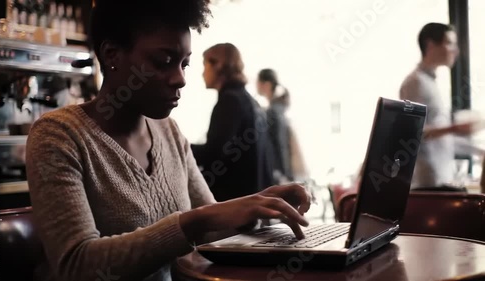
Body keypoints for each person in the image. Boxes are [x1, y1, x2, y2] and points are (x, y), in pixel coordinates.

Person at [24, 1, 311, 281]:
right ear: (112, 55)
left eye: (185, 63)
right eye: (164, 61)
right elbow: (77, 265)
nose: (181, 79)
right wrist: (196, 221)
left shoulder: (169, 132)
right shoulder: (59, 136)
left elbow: (213, 231)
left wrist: (256, 207)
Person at [191, 43, 274, 202]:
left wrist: (180, 147)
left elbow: (214, 154)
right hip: (253, 201)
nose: (203, 73)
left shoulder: (230, 100)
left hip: (235, 205)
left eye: (205, 65)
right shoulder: (249, 100)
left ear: (219, 66)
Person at [399, 23, 474, 188]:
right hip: (426, 182)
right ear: (430, 45)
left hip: (439, 179)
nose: (456, 50)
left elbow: (441, 138)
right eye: (450, 43)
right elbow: (413, 134)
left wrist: (478, 150)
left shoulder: (430, 83)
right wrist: (454, 128)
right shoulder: (415, 82)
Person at [256, 68, 308, 184]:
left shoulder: (273, 112)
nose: (256, 86)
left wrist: (283, 175)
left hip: (280, 174)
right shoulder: (279, 109)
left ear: (267, 85)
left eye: (258, 83)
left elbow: (280, 146)